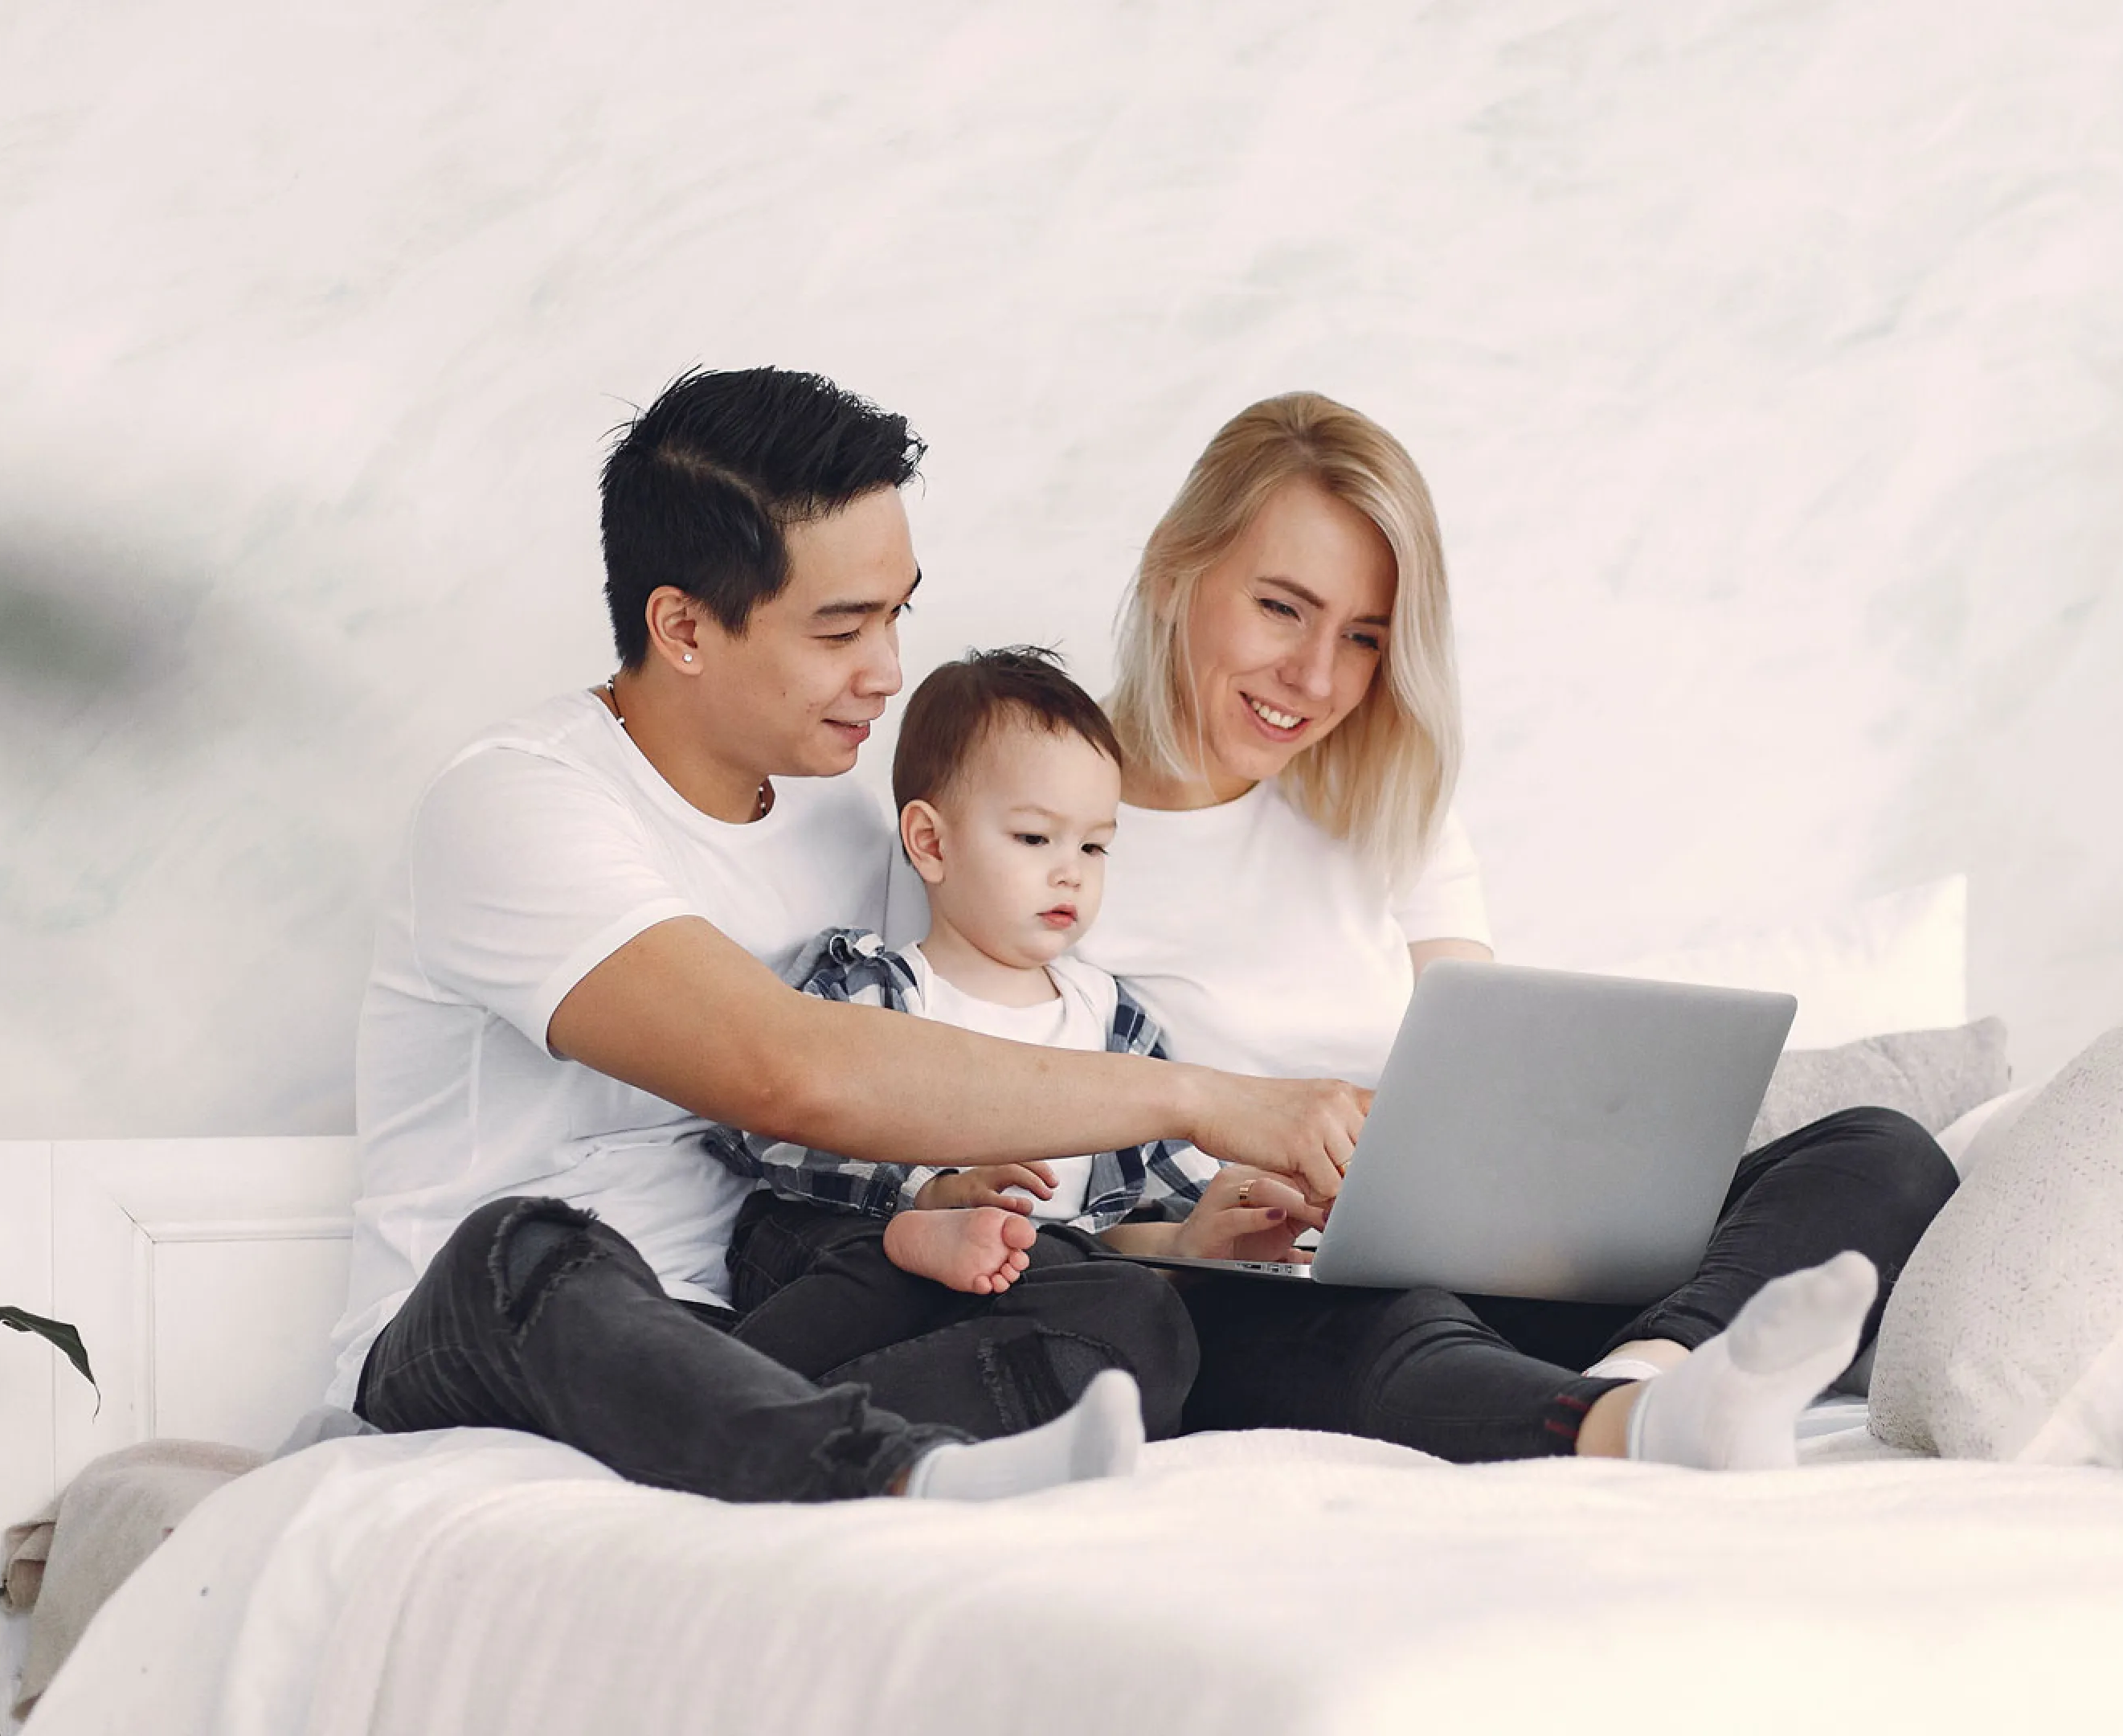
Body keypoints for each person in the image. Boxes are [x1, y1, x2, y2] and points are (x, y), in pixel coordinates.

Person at [775, 391, 1960, 1468]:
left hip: (1460, 1258)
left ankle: (1649, 1373)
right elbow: (948, 1111)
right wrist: (1201, 1215)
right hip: (1244, 1282)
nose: (1314, 676)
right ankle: (1601, 1425)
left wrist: (1498, 1182)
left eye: (1364, 636)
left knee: (1883, 1151)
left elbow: (1490, 1079)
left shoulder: (1393, 813)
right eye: (1282, 608)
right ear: (1177, 572)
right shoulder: (1020, 823)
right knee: (1382, 1322)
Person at [331, 367, 1370, 1504]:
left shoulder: (845, 829)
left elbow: (934, 1070)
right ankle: (885, 1467)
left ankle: (832, 1466)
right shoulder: (515, 804)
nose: (888, 672)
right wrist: (1202, 1098)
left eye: (896, 614)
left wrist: (1021, 1208)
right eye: (841, 629)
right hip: (494, 1340)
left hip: (759, 1336)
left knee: (1121, 1310)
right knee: (535, 1247)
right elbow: (793, 1074)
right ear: (682, 626)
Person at [707, 646, 1323, 1426]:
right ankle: (824, 1316)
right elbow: (766, 1129)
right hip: (839, 1262)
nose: (1071, 872)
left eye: (1093, 846)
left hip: (1002, 1293)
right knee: (848, 1247)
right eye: (1035, 839)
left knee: (1107, 1290)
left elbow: (1133, 1220)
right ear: (932, 843)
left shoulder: (1114, 1022)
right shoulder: (876, 988)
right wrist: (924, 1196)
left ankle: (900, 1416)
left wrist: (1197, 1235)